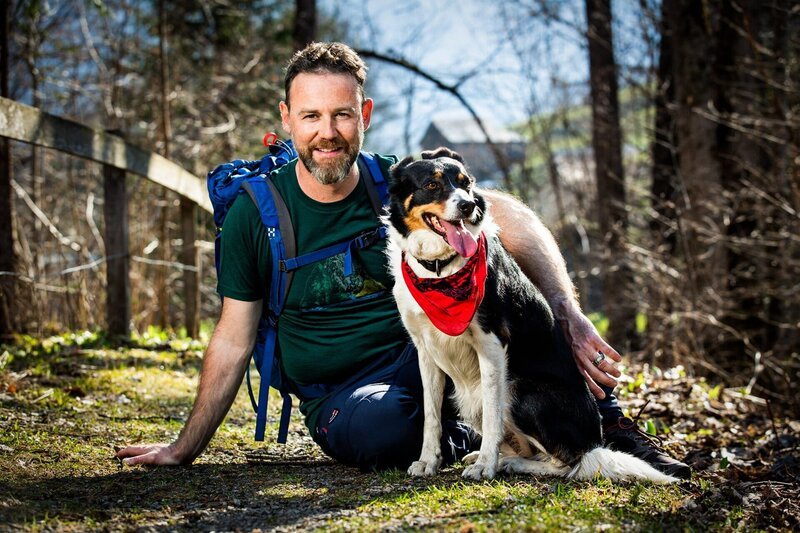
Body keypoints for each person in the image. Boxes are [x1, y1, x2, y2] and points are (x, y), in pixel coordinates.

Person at [117, 42, 689, 478]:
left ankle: (601, 426)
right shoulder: (255, 215)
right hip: (346, 396)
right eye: (311, 116)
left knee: (524, 307)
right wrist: (184, 446)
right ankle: (505, 434)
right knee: (383, 430)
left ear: (363, 114)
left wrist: (565, 307)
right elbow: (234, 336)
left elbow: (502, 214)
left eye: (341, 115)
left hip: (428, 356)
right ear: (287, 120)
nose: (328, 133)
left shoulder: (395, 183)